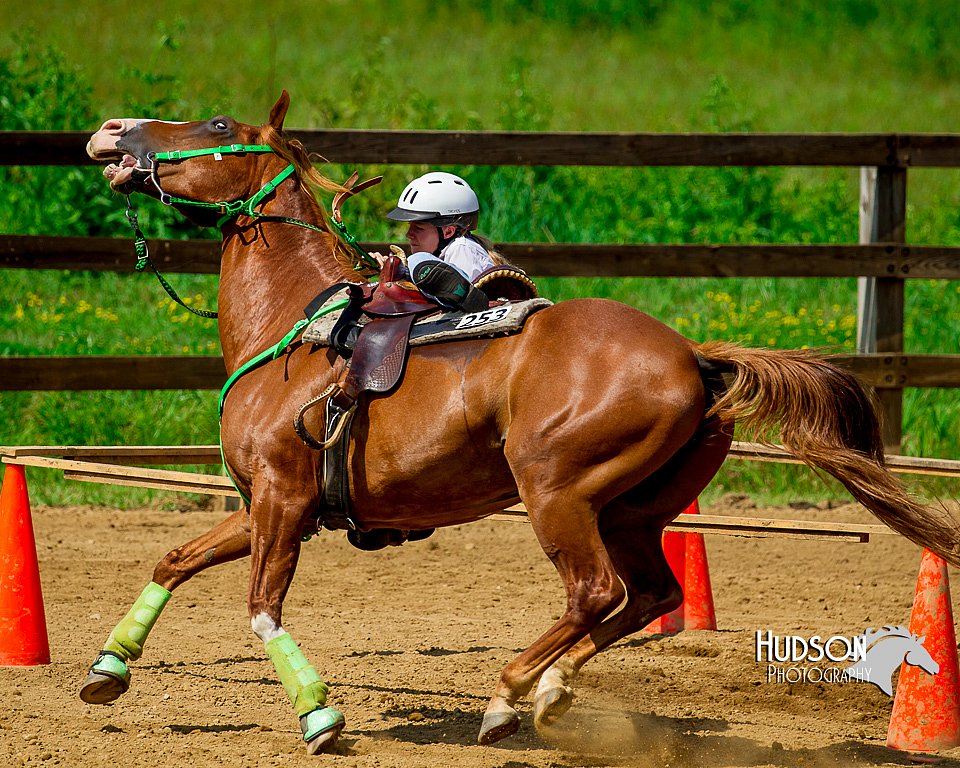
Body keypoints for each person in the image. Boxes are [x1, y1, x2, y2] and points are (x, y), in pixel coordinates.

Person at [382, 171, 501, 311]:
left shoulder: (461, 248)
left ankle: (455, 293)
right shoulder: (448, 250)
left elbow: (478, 300)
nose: (409, 235)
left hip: (474, 310)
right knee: (412, 264)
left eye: (419, 228)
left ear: (448, 231)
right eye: (410, 226)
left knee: (417, 260)